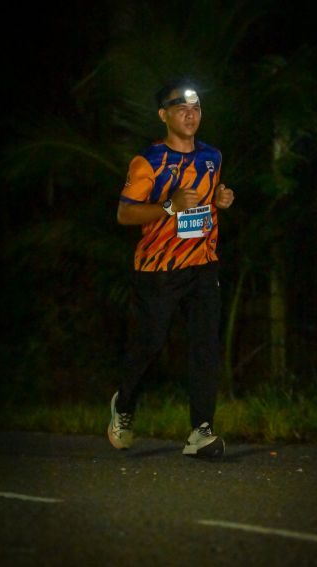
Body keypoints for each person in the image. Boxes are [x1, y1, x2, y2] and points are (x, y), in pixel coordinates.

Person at [108, 78, 234, 457]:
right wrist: (169, 206)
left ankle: (201, 431)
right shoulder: (148, 161)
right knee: (149, 345)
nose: (191, 115)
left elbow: (206, 199)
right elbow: (125, 213)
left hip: (203, 265)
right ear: (164, 115)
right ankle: (124, 406)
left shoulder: (212, 156)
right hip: (158, 270)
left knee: (205, 347)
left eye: (196, 108)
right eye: (181, 109)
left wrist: (221, 199)